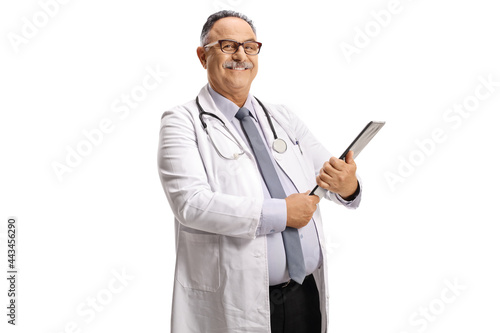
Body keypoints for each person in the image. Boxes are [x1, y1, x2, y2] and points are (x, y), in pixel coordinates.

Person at [157, 10, 361, 333]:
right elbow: (191, 204)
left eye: (250, 47)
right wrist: (282, 213)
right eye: (227, 46)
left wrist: (348, 185)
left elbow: (330, 174)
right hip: (238, 301)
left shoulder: (283, 118)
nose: (241, 55)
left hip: (304, 294)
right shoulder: (182, 122)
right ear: (202, 55)